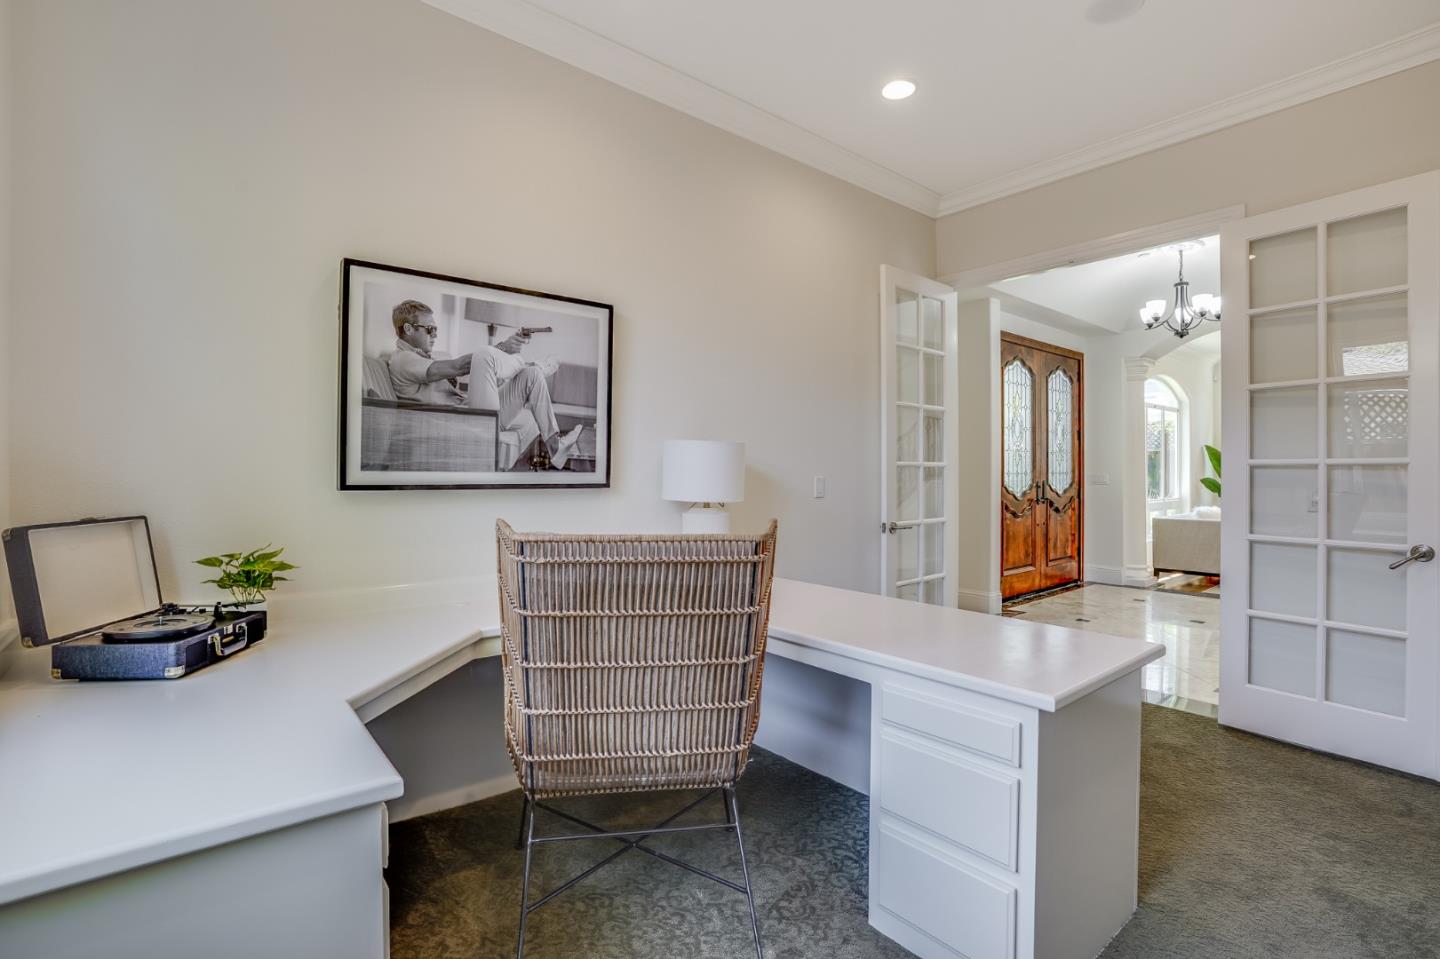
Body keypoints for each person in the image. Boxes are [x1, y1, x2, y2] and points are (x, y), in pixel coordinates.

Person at [384, 299, 584, 469]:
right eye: (430, 329)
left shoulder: (422, 357)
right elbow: (458, 367)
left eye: (435, 329)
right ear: (408, 329)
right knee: (484, 354)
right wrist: (502, 349)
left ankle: (555, 447)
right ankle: (534, 364)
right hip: (463, 424)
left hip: (468, 415)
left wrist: (503, 351)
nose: (435, 334)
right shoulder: (403, 359)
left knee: (531, 376)